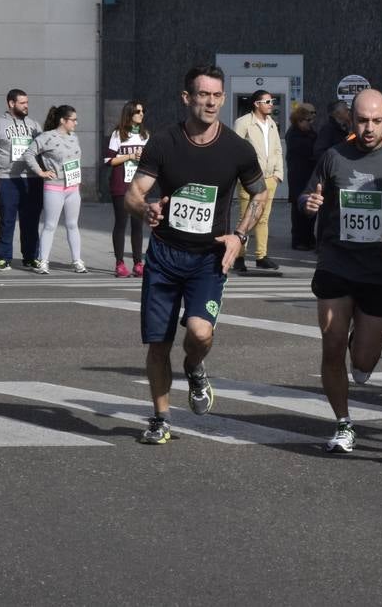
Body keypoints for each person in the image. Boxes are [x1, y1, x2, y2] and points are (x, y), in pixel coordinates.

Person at [125, 64, 265, 445]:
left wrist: (239, 236)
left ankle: (194, 366)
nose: (210, 102)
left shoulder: (237, 148)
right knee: (158, 343)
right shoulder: (165, 142)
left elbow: (260, 193)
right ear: (187, 98)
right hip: (165, 256)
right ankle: (160, 417)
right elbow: (134, 193)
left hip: (209, 258)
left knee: (200, 333)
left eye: (217, 95)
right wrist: (147, 209)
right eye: (203, 94)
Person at [300, 89, 382, 453]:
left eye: (376, 120)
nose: (369, 128)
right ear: (350, 120)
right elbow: (307, 195)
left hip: (379, 269)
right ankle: (343, 423)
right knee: (332, 341)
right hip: (336, 261)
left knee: (362, 361)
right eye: (362, 120)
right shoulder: (334, 156)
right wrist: (309, 203)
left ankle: (361, 345)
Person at [0, 89, 44, 272]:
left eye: (27, 102)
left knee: (31, 220)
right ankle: (3, 257)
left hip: (31, 179)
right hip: (8, 178)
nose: (26, 106)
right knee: (7, 220)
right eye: (22, 103)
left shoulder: (34, 125)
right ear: (11, 103)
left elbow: (43, 149)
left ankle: (31, 257)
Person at [24, 105, 86, 274]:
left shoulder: (74, 137)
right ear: (62, 120)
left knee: (73, 224)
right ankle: (43, 261)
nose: (76, 123)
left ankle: (77, 261)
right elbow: (29, 154)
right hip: (54, 187)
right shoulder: (47, 137)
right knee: (50, 225)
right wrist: (41, 172)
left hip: (73, 188)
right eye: (73, 120)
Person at [233, 89, 283, 272]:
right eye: (268, 101)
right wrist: (240, 174)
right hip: (250, 179)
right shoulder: (243, 122)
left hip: (270, 179)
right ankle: (239, 257)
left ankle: (262, 256)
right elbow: (235, 150)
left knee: (263, 218)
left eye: (272, 101)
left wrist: (278, 174)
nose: (272, 104)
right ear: (256, 104)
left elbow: (278, 149)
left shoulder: (271, 123)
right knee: (245, 217)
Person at [105, 100, 150, 277]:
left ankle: (138, 263)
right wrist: (129, 155)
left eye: (143, 111)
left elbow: (151, 161)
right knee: (121, 223)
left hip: (139, 186)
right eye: (138, 111)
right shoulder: (118, 134)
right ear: (129, 114)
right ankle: (119, 263)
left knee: (138, 225)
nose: (141, 114)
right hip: (121, 185)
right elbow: (109, 161)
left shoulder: (145, 135)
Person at [285, 102, 318, 251]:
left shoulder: (309, 133)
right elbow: (308, 151)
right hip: (298, 175)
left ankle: (309, 238)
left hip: (309, 175)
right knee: (299, 210)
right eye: (308, 120)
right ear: (300, 120)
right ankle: (298, 240)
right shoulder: (293, 134)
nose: (311, 122)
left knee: (311, 207)